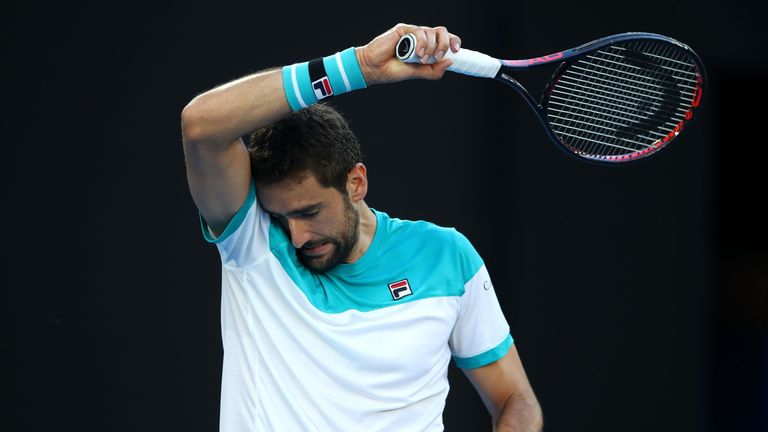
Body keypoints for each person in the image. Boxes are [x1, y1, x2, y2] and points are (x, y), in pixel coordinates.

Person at [181, 23, 543, 432]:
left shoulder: (448, 257)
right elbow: (200, 126)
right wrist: (361, 66)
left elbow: (516, 402)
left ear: (356, 183)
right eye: (281, 218)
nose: (296, 237)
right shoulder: (252, 243)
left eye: (309, 212)